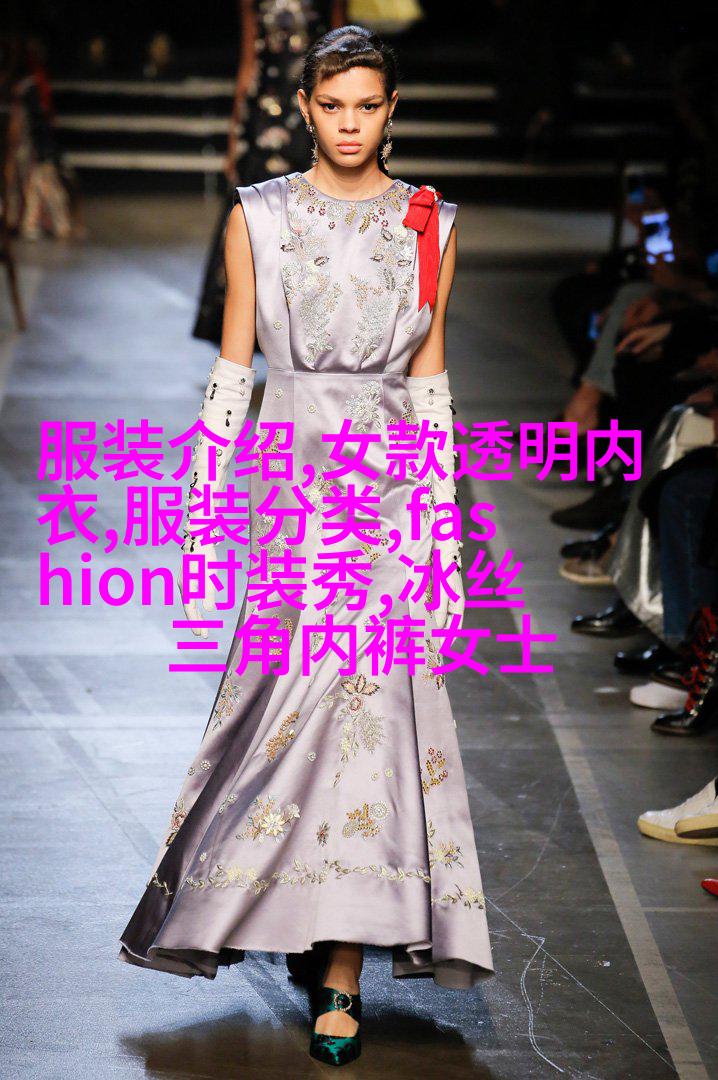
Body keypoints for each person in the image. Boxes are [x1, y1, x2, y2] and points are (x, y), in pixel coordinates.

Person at [118, 24, 494, 1068]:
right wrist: (201, 513)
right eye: (333, 106)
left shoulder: (430, 220)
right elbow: (233, 368)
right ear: (303, 109)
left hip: (392, 496)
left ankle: (341, 971)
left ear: (393, 110)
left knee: (369, 722)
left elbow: (430, 378)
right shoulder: (260, 215)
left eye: (368, 106)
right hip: (292, 494)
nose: (350, 124)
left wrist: (442, 539)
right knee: (276, 718)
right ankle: (288, 913)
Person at [192, 0, 346, 346]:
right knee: (252, 214)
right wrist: (235, 135)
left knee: (312, 213)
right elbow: (250, 59)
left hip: (311, 113)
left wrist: (337, 116)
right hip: (262, 113)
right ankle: (245, 325)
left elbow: (341, 54)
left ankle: (314, 321)